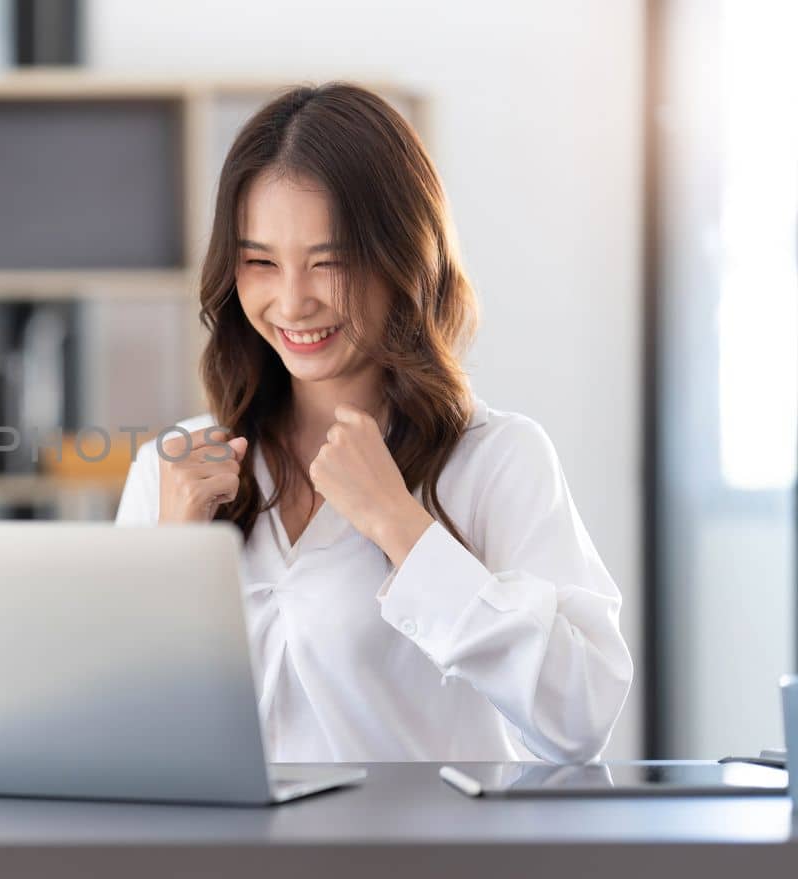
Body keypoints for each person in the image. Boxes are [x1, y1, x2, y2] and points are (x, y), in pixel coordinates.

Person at [114, 83, 632, 764]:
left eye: (330, 262)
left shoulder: (495, 458)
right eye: (261, 261)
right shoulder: (173, 465)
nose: (293, 301)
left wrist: (403, 530)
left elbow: (582, 715)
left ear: (402, 259)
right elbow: (121, 737)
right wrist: (171, 559)